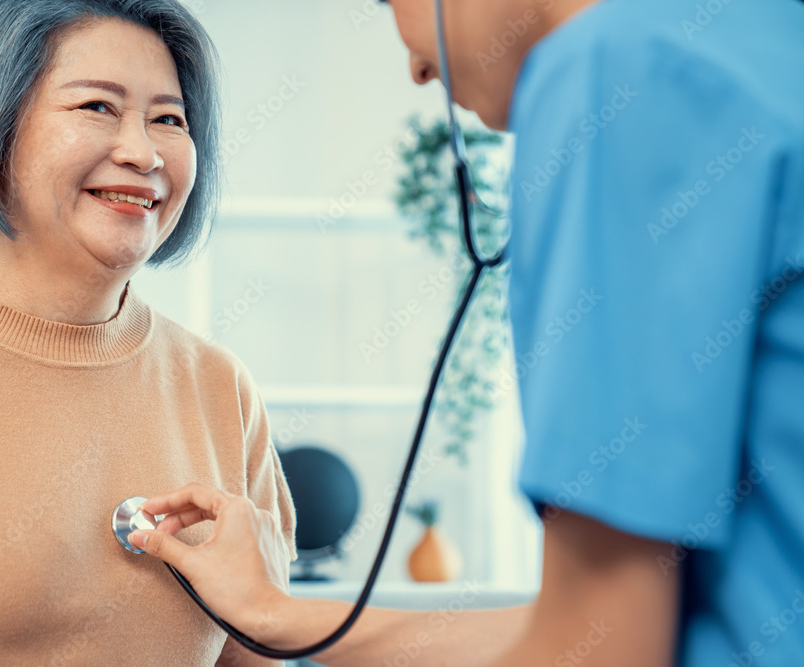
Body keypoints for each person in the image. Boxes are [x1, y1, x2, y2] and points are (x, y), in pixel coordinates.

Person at [129, 0, 804, 665]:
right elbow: (597, 622)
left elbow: (600, 647)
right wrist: (279, 613)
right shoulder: (757, 35)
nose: (419, 69)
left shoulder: (618, 68)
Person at [0, 1, 296, 665]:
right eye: (97, 106)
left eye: (168, 119)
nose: (142, 152)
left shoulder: (222, 388)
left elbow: (259, 649)